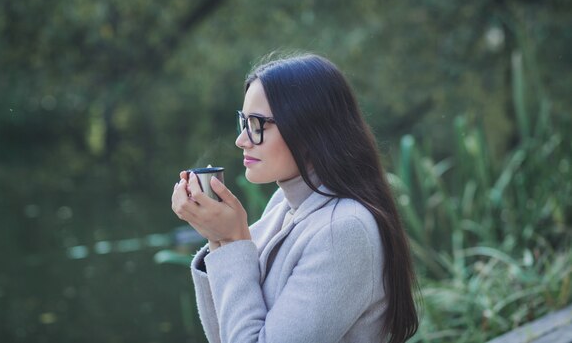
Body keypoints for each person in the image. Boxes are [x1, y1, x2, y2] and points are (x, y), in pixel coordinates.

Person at [171, 53, 419, 343]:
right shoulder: (283, 204)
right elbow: (228, 335)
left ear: (308, 129)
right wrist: (218, 239)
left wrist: (235, 241)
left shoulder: (344, 230)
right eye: (244, 122)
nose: (242, 140)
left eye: (257, 125)